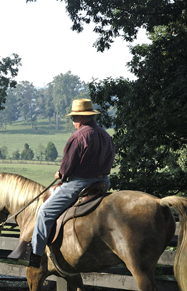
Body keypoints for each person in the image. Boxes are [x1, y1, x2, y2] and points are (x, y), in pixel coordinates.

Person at [9, 98, 115, 268]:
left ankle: (34, 257)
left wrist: (61, 173)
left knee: (44, 212)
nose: (73, 122)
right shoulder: (105, 134)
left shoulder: (78, 136)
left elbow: (66, 167)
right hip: (103, 182)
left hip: (79, 184)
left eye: (74, 118)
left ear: (81, 118)